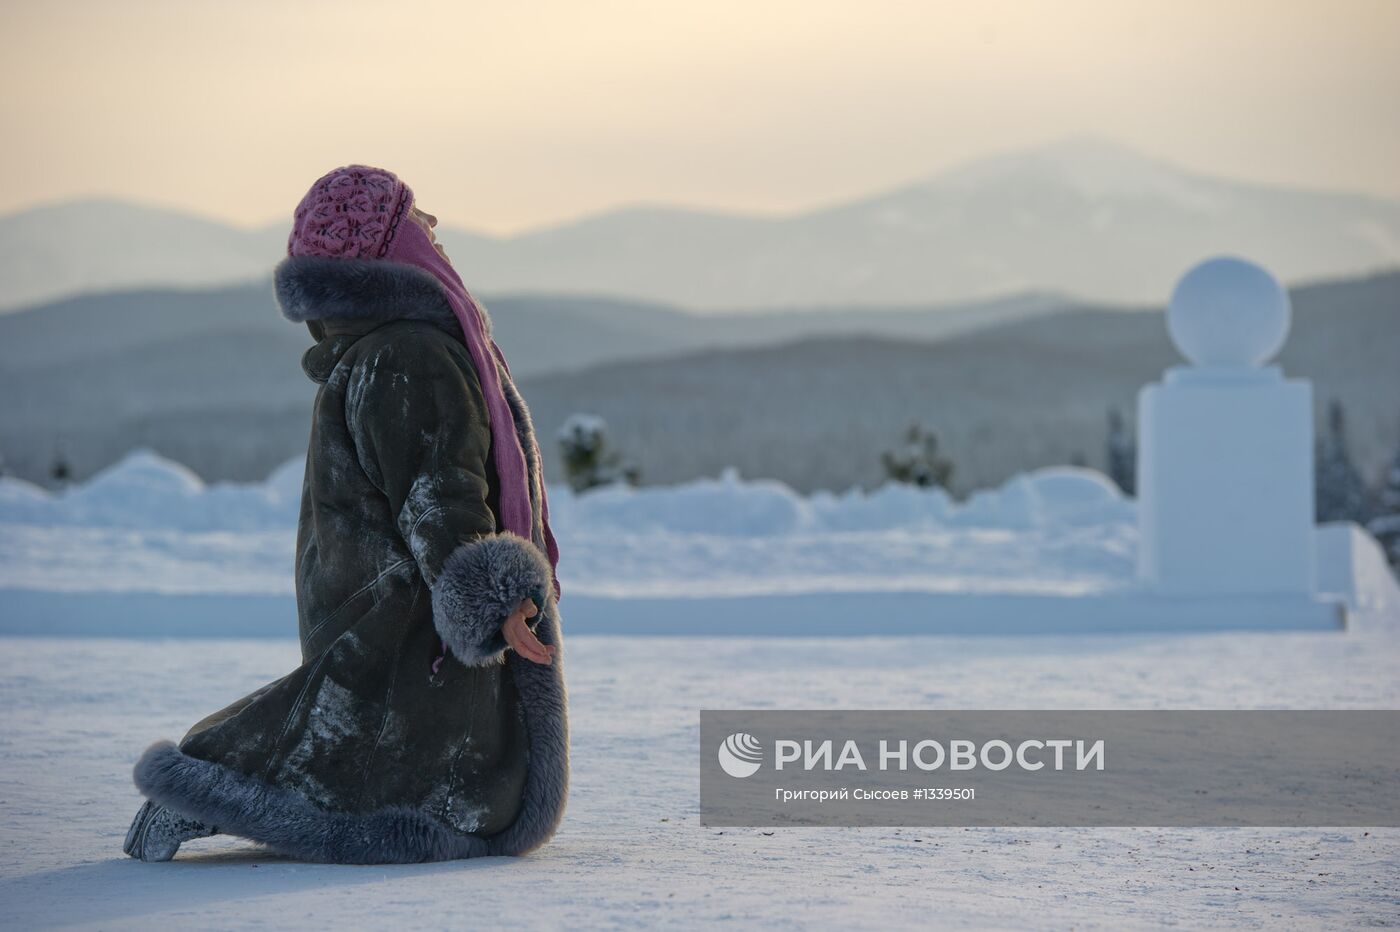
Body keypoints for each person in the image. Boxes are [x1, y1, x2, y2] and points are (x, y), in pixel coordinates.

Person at [123, 165, 568, 863]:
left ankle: (196, 795)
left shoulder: (378, 351)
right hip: (408, 622)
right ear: (387, 248)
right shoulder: (411, 358)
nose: (435, 226)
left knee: (376, 751)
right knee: (399, 765)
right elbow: (437, 496)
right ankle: (196, 791)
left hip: (382, 611)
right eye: (416, 217)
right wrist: (497, 601)